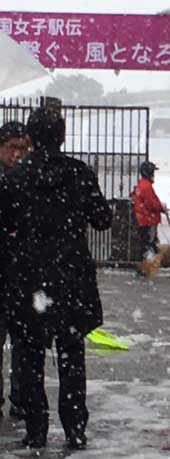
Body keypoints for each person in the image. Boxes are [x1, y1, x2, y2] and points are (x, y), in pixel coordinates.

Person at [0, 107, 112, 449]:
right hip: (71, 280)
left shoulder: (15, 178)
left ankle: (36, 430)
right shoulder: (79, 173)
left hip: (29, 281)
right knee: (71, 355)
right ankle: (75, 427)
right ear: (62, 136)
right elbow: (103, 220)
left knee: (31, 356)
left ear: (31, 139)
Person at [0, 121, 31, 421]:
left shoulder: (30, 179)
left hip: (22, 273)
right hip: (5, 271)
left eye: (23, 148)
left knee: (23, 341)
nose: (17, 154)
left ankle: (21, 398)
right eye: (12, 147)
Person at [133, 161, 164, 263]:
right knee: (148, 244)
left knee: (145, 243)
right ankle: (147, 265)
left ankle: (144, 264)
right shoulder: (146, 186)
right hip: (148, 220)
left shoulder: (142, 184)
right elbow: (151, 204)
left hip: (143, 219)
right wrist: (160, 207)